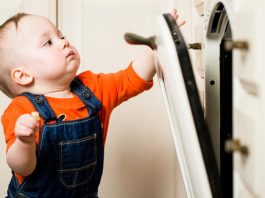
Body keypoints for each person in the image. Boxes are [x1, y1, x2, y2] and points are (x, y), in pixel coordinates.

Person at [0, 9, 184, 197]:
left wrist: (157, 47)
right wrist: (25, 142)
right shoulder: (22, 110)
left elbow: (131, 78)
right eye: (48, 42)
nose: (64, 42)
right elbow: (21, 167)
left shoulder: (92, 89)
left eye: (61, 36)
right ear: (23, 75)